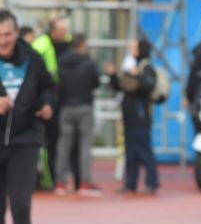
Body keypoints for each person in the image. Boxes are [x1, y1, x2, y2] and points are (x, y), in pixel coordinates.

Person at [0, 10, 56, 224]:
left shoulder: (33, 59)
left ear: (17, 33)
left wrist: (47, 105)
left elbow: (50, 88)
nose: (3, 41)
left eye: (8, 35)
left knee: (21, 206)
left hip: (25, 141)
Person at [106, 38, 160, 194]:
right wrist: (113, 75)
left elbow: (148, 85)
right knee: (130, 152)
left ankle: (152, 182)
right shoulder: (132, 65)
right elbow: (121, 87)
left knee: (143, 150)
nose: (131, 50)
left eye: (134, 47)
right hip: (129, 116)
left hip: (140, 116)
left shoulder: (145, 67)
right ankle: (130, 183)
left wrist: (137, 75)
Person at [55, 34, 102, 196]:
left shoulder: (61, 61)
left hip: (66, 107)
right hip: (84, 106)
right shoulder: (88, 63)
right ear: (82, 45)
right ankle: (84, 182)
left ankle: (60, 182)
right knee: (85, 146)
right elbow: (96, 82)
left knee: (64, 145)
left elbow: (57, 82)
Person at [31, 17, 72, 187]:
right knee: (46, 141)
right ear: (53, 31)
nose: (65, 34)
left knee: (58, 141)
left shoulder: (68, 43)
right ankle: (45, 179)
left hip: (62, 99)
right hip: (45, 98)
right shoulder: (41, 45)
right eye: (62, 31)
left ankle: (56, 178)